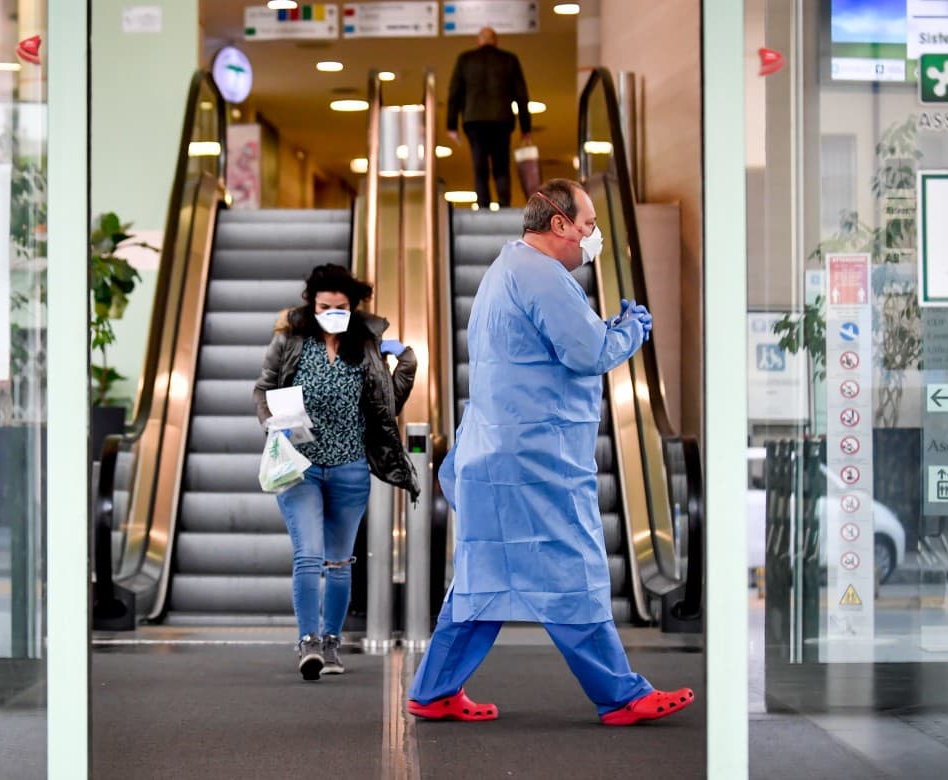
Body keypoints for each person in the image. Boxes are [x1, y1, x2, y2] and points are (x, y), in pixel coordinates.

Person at [406, 179, 694, 726]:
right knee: (574, 572)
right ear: (558, 224)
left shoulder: (505, 271)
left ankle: (434, 689)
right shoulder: (542, 276)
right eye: (587, 226)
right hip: (538, 461)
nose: (592, 237)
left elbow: (549, 350)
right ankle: (622, 695)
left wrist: (604, 329)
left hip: (495, 455)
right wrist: (630, 330)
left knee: (482, 579)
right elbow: (586, 353)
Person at [254, 264, 419, 681]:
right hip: (300, 466)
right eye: (324, 305)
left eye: (340, 306)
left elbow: (387, 405)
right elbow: (264, 387)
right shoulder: (290, 340)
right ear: (311, 304)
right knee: (309, 555)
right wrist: (270, 421)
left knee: (340, 562)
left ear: (353, 307)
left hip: (349, 469)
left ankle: (331, 642)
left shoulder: (364, 345)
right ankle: (308, 641)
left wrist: (406, 362)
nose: (331, 312)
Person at [446, 26, 532, 209]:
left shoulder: (465, 60)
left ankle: (483, 206)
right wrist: (526, 128)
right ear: (496, 41)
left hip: (474, 120)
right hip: (502, 119)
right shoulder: (509, 60)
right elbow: (522, 95)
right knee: (501, 165)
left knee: (480, 167)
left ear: (479, 41)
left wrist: (451, 125)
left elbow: (455, 93)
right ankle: (504, 205)